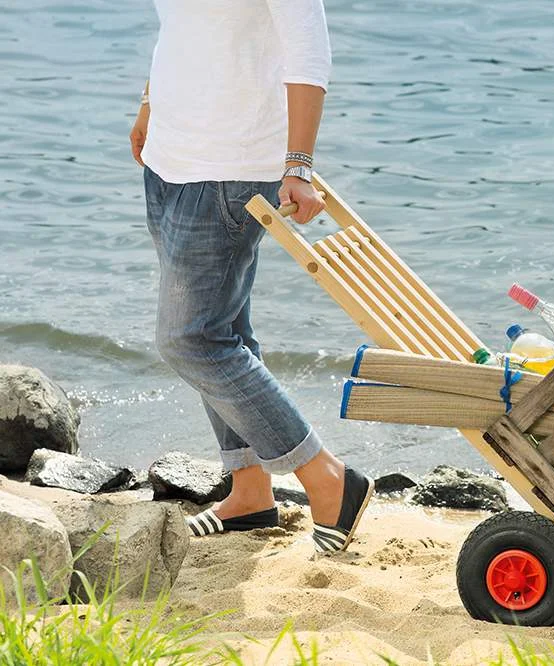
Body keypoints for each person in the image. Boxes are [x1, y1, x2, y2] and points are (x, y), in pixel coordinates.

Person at [129, 0, 373, 554]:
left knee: (190, 339)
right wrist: (148, 104)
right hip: (170, 156)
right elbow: (180, 30)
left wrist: (298, 166)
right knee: (223, 330)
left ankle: (327, 479)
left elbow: (308, 55)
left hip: (232, 167)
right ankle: (250, 490)